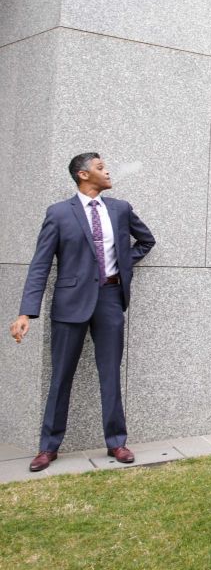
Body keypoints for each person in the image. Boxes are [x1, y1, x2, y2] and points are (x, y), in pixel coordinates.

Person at [10, 152, 156, 472]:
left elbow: (146, 240)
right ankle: (48, 446)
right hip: (69, 304)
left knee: (110, 374)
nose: (108, 172)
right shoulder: (59, 213)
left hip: (109, 300)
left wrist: (123, 265)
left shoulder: (120, 210)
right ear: (83, 175)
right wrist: (26, 312)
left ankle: (116, 441)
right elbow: (40, 265)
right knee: (61, 377)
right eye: (101, 168)